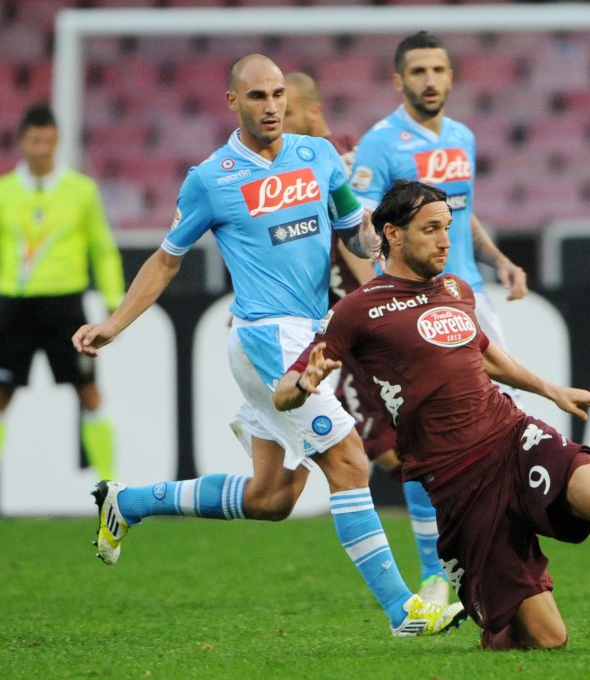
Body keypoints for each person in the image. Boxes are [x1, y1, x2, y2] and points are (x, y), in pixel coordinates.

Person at [273, 180, 590, 651]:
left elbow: (484, 353)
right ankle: (495, 621)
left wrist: (550, 390)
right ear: (393, 234)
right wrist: (303, 382)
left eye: (447, 229)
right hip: (457, 480)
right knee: (547, 640)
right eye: (430, 230)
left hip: (513, 435)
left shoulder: (456, 289)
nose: (444, 241)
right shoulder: (358, 310)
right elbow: (283, 393)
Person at [71, 54, 466, 638]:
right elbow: (166, 259)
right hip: (264, 338)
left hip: (310, 336)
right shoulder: (212, 177)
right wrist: (115, 322)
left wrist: (388, 265)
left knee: (270, 498)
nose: (272, 105)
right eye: (257, 96)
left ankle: (127, 503)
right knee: (352, 463)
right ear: (233, 102)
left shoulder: (319, 157)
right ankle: (403, 611)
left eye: (278, 94)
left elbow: (353, 232)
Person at [348, 31, 531, 605]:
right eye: (419, 70)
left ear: (452, 77)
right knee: (428, 438)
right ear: (398, 80)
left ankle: (503, 558)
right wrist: (381, 297)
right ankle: (438, 572)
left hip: (469, 295)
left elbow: (459, 213)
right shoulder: (379, 145)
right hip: (416, 307)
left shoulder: (463, 138)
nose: (430, 79)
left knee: (501, 430)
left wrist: (498, 259)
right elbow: (360, 232)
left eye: (439, 69)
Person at [283, 70, 449, 605]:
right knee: (388, 453)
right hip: (337, 326)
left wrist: (382, 301)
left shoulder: (333, 165)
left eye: (285, 113)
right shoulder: (306, 162)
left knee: (399, 450)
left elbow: (367, 244)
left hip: (359, 323)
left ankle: (438, 571)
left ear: (309, 111)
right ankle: (444, 564)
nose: (276, 126)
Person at [0, 103, 125, 518]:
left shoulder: (81, 191)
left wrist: (114, 303)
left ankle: (112, 493)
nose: (42, 148)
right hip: (11, 307)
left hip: (64, 306)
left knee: (88, 392)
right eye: (35, 140)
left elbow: (102, 248)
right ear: (23, 142)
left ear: (57, 141)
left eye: (48, 140)